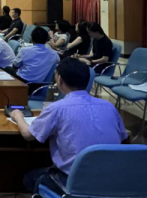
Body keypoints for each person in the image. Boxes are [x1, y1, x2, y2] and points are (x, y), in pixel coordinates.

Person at [11, 57, 128, 193]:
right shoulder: (109, 107)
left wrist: (18, 116)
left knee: (29, 178)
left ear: (59, 79)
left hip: (75, 182)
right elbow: (123, 136)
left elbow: (28, 135)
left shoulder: (57, 108)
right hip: (111, 181)